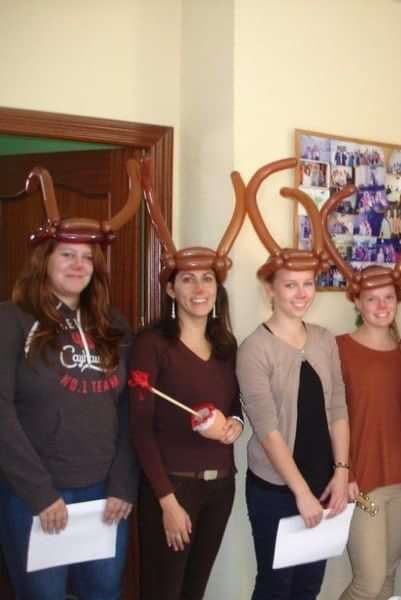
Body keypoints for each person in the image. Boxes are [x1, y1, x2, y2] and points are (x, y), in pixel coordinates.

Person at [0, 162, 141, 599]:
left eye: (87, 257)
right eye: (67, 254)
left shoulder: (113, 327)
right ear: (44, 260)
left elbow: (130, 410)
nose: (78, 264)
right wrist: (40, 494)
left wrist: (122, 483)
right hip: (34, 495)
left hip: (104, 496)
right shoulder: (11, 320)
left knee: (103, 593)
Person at [237, 159, 354, 600]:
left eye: (308, 285)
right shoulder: (255, 348)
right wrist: (301, 493)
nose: (301, 294)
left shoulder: (325, 339)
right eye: (290, 286)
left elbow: (338, 408)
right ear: (271, 290)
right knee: (276, 583)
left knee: (310, 584)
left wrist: (341, 474)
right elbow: (267, 431)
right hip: (275, 488)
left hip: (326, 481)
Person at [129, 169, 247, 600]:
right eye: (187, 279)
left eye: (208, 279)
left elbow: (236, 404)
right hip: (173, 486)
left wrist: (233, 423)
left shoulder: (226, 343)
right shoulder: (152, 345)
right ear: (172, 290)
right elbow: (140, 428)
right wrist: (166, 501)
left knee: (194, 592)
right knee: (164, 592)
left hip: (221, 487)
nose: (199, 288)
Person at [321, 188, 401, 600]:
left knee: (390, 575)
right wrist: (344, 473)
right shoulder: (338, 348)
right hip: (362, 484)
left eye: (388, 298)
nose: (381, 306)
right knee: (369, 580)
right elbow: (329, 416)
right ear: (358, 302)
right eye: (372, 299)